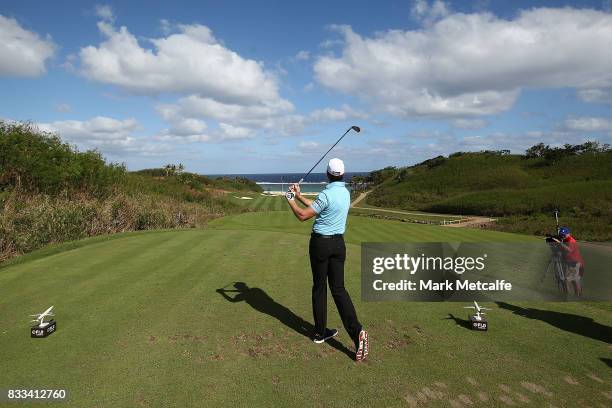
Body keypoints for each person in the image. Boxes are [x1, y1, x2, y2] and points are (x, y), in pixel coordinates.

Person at [285, 158, 368, 361]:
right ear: (343, 174)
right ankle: (357, 332)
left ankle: (320, 333)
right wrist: (300, 195)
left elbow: (304, 215)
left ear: (327, 173)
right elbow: (318, 207)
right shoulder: (344, 193)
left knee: (319, 287)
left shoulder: (326, 194)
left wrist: (290, 200)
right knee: (338, 289)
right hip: (339, 245)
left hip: (321, 245)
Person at [551, 226, 584, 296]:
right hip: (569, 262)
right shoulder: (566, 239)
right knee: (570, 280)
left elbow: (569, 250)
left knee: (572, 280)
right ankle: (573, 295)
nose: (563, 237)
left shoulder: (571, 240)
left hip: (575, 263)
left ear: (568, 234)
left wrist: (560, 243)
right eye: (562, 235)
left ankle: (577, 296)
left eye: (564, 235)